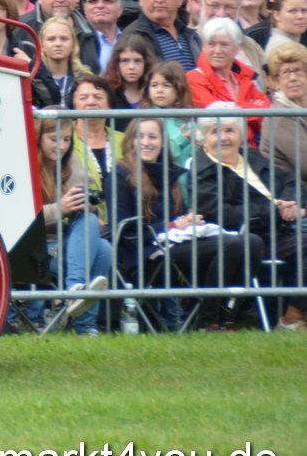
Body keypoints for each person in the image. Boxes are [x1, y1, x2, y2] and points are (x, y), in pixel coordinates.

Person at [109, 114, 261, 330]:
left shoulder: (169, 172)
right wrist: (170, 226)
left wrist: (189, 221)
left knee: (252, 242)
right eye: (139, 137)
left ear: (162, 142)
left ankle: (226, 315)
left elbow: (177, 217)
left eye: (153, 136)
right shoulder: (120, 173)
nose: (146, 142)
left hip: (178, 245)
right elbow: (123, 227)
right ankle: (209, 319)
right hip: (144, 251)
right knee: (231, 244)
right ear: (129, 141)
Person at [192, 112, 305, 330]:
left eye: (230, 130)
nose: (224, 137)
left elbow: (290, 180)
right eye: (216, 131)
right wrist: (272, 209)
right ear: (204, 138)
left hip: (282, 228)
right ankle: (293, 317)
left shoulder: (252, 157)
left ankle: (295, 313)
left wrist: (290, 203)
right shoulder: (202, 170)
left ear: (241, 136)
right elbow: (218, 212)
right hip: (248, 238)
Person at [28, 116, 113, 335]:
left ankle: (79, 304)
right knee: (100, 251)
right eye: (54, 139)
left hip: (65, 242)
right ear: (38, 137)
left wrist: (86, 205)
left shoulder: (70, 160)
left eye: (67, 139)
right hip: (33, 246)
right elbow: (23, 220)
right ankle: (79, 307)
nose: (62, 146)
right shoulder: (26, 164)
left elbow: (86, 195)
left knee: (101, 242)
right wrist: (61, 209)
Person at [262, 42, 307, 195]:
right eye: (286, 72)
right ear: (276, 82)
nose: (293, 78)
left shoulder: (300, 108)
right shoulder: (280, 116)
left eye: (298, 70)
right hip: (295, 199)